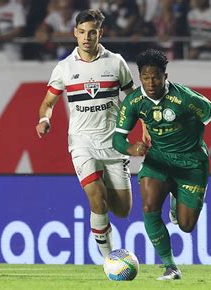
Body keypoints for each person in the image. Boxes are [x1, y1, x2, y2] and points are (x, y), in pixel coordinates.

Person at [112, 48, 211, 280]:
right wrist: (131, 149)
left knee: (186, 225)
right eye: (145, 77)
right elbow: (117, 138)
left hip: (191, 164)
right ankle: (170, 266)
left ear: (165, 75)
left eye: (155, 76)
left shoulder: (185, 98)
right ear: (140, 77)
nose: (150, 82)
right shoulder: (134, 102)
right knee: (148, 207)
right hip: (159, 160)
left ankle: (177, 197)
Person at [36, 9, 136, 258]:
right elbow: (48, 103)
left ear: (100, 33)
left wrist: (142, 126)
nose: (86, 37)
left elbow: (132, 98)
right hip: (82, 142)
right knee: (96, 194)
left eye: (92, 32)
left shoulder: (116, 62)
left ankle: (102, 225)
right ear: (75, 33)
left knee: (122, 210)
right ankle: (108, 259)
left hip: (114, 143)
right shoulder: (65, 67)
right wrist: (44, 119)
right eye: (81, 32)